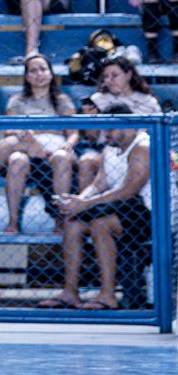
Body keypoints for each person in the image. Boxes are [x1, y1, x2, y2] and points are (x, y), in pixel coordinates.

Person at [43, 104, 152, 311]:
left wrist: (86, 204)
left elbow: (129, 189)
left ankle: (107, 295)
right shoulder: (110, 148)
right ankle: (70, 292)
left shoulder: (142, 146)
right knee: (73, 223)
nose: (105, 134)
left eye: (109, 129)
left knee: (100, 224)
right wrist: (77, 200)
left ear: (126, 126)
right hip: (120, 207)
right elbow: (98, 183)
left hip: (148, 211)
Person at [0, 53, 78, 234]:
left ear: (51, 73)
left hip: (55, 146)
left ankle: (61, 220)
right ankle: (13, 223)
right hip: (26, 145)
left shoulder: (62, 100)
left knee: (61, 157)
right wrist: (24, 134)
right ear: (26, 76)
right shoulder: (17, 100)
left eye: (43, 69)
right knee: (16, 158)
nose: (39, 74)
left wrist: (68, 145)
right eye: (33, 71)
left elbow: (73, 133)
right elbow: (10, 129)